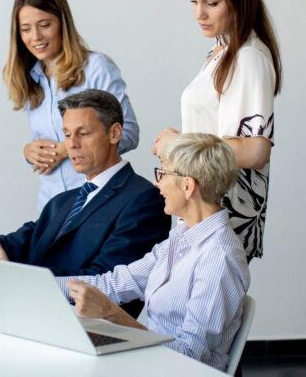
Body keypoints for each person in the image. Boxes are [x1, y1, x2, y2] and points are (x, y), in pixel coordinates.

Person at [0, 90, 168, 316]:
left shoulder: (144, 199)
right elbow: (10, 246)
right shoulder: (63, 201)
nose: (72, 145)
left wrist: (11, 275)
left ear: (114, 133)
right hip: (33, 312)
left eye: (83, 133)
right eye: (67, 134)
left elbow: (105, 283)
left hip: (88, 327)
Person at [59, 133, 249, 372]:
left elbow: (190, 358)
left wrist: (111, 314)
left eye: (163, 173)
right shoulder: (179, 239)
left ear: (187, 186)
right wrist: (42, 286)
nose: (157, 183)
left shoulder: (219, 258)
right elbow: (113, 284)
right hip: (148, 363)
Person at [154, 0, 282, 262]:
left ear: (239, 0)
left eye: (212, 3)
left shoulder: (248, 57)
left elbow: (255, 150)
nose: (200, 14)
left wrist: (180, 144)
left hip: (223, 218)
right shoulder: (222, 51)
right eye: (194, 2)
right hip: (201, 209)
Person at [3, 0, 140, 211]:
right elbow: (45, 142)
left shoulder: (96, 68)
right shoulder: (28, 79)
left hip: (98, 205)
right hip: (52, 209)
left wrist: (67, 149)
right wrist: (29, 152)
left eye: (44, 25)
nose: (35, 37)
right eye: (25, 29)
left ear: (62, 24)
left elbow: (129, 133)